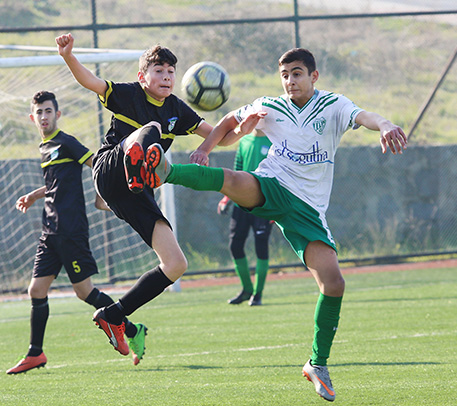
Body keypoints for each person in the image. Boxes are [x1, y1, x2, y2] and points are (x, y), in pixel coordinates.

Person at [144, 48, 408, 401]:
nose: (290, 81)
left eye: (297, 74)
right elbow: (226, 125)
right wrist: (206, 148)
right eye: (285, 75)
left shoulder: (332, 105)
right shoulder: (271, 105)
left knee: (333, 283)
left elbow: (365, 116)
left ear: (314, 76)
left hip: (309, 210)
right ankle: (165, 171)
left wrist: (387, 124)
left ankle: (317, 363)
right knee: (234, 180)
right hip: (274, 184)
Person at [55, 34, 234, 349]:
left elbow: (222, 136)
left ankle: (115, 314)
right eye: (159, 71)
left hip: (133, 193)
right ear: (142, 77)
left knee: (176, 264)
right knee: (149, 129)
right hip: (109, 169)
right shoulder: (127, 94)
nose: (166, 77)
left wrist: (244, 126)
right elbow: (91, 82)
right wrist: (68, 56)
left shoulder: (178, 109)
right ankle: (136, 163)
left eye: (170, 72)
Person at [6, 91, 148, 374]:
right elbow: (58, 183)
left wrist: (104, 196)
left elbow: (98, 165)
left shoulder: (67, 142)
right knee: (36, 289)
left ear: (57, 115)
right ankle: (36, 353)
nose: (44, 116)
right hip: (50, 230)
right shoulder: (44, 147)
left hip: (70, 229)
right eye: (39, 113)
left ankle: (132, 330)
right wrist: (35, 195)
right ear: (32, 118)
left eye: (49, 111)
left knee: (85, 292)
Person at [218, 130, 273, 306]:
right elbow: (237, 171)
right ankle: (247, 289)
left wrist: (274, 206)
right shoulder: (244, 141)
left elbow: (280, 175)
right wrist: (227, 197)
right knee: (235, 245)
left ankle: (258, 294)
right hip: (241, 203)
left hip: (263, 204)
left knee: (261, 247)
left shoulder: (274, 141)